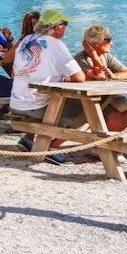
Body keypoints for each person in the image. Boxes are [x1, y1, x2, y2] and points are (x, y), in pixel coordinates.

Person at [8, 9, 86, 161]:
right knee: (84, 108)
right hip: (34, 107)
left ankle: (28, 139)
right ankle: (51, 146)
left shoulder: (26, 40)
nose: (66, 28)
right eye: (65, 24)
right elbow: (79, 76)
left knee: (48, 98)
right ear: (57, 27)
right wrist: (64, 77)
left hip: (16, 103)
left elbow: (18, 71)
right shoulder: (57, 45)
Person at [73, 25, 127, 133]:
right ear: (96, 43)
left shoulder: (106, 56)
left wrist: (115, 76)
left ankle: (106, 142)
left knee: (126, 110)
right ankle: (102, 141)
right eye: (108, 40)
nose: (112, 43)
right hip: (82, 102)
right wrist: (94, 55)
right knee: (116, 115)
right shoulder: (80, 59)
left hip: (104, 98)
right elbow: (100, 76)